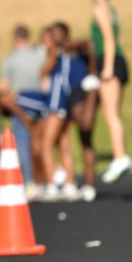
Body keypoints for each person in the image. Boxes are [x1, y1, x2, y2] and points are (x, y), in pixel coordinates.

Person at [91, 0, 132, 183]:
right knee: (113, 113)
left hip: (109, 62)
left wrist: (107, 68)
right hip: (117, 60)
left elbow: (109, 40)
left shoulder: (100, 10)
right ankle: (119, 156)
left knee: (110, 113)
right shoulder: (111, 10)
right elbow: (118, 38)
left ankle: (120, 157)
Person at [39, 22, 99, 202]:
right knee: (63, 143)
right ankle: (70, 184)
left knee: (46, 144)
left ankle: (52, 185)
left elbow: (45, 71)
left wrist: (54, 49)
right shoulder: (59, 54)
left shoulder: (69, 51)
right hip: (65, 101)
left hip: (59, 102)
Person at [0, 24, 47, 197]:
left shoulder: (11, 58)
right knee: (41, 143)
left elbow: (4, 86)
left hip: (20, 105)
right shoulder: (39, 55)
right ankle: (44, 180)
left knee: (24, 143)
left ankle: (30, 181)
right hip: (41, 103)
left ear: (15, 39)